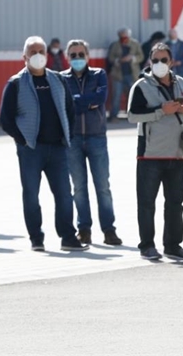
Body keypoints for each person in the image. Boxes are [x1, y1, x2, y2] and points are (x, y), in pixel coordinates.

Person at [0, 36, 87, 252]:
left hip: (58, 148)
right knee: (31, 194)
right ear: (25, 57)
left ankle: (68, 237)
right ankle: (36, 238)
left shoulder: (58, 80)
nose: (38, 55)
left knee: (65, 195)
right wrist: (23, 141)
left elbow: (69, 110)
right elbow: (5, 119)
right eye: (33, 52)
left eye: (41, 51)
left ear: (47, 55)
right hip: (31, 150)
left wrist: (67, 136)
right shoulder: (16, 83)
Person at [128, 43, 183, 261]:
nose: (159, 64)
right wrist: (160, 111)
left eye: (163, 60)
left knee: (175, 203)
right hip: (150, 154)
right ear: (149, 62)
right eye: (155, 60)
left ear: (172, 62)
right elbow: (132, 115)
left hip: (177, 153)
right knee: (147, 203)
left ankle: (173, 245)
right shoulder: (140, 86)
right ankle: (147, 245)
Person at [62, 40, 121, 246]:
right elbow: (66, 104)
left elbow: (101, 97)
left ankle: (109, 230)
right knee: (78, 187)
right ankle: (84, 229)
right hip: (73, 139)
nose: (77, 58)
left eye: (80, 54)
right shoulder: (62, 79)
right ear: (67, 57)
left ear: (88, 56)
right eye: (73, 55)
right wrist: (87, 101)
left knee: (103, 186)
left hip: (97, 137)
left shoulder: (99, 75)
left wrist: (78, 101)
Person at [107, 28, 144, 122]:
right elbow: (110, 57)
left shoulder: (135, 44)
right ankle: (114, 116)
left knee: (133, 96)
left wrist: (132, 58)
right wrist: (118, 60)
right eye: (122, 36)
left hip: (132, 74)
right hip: (118, 75)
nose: (124, 39)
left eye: (125, 36)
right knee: (116, 96)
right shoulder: (115, 45)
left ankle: (134, 115)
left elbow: (141, 56)